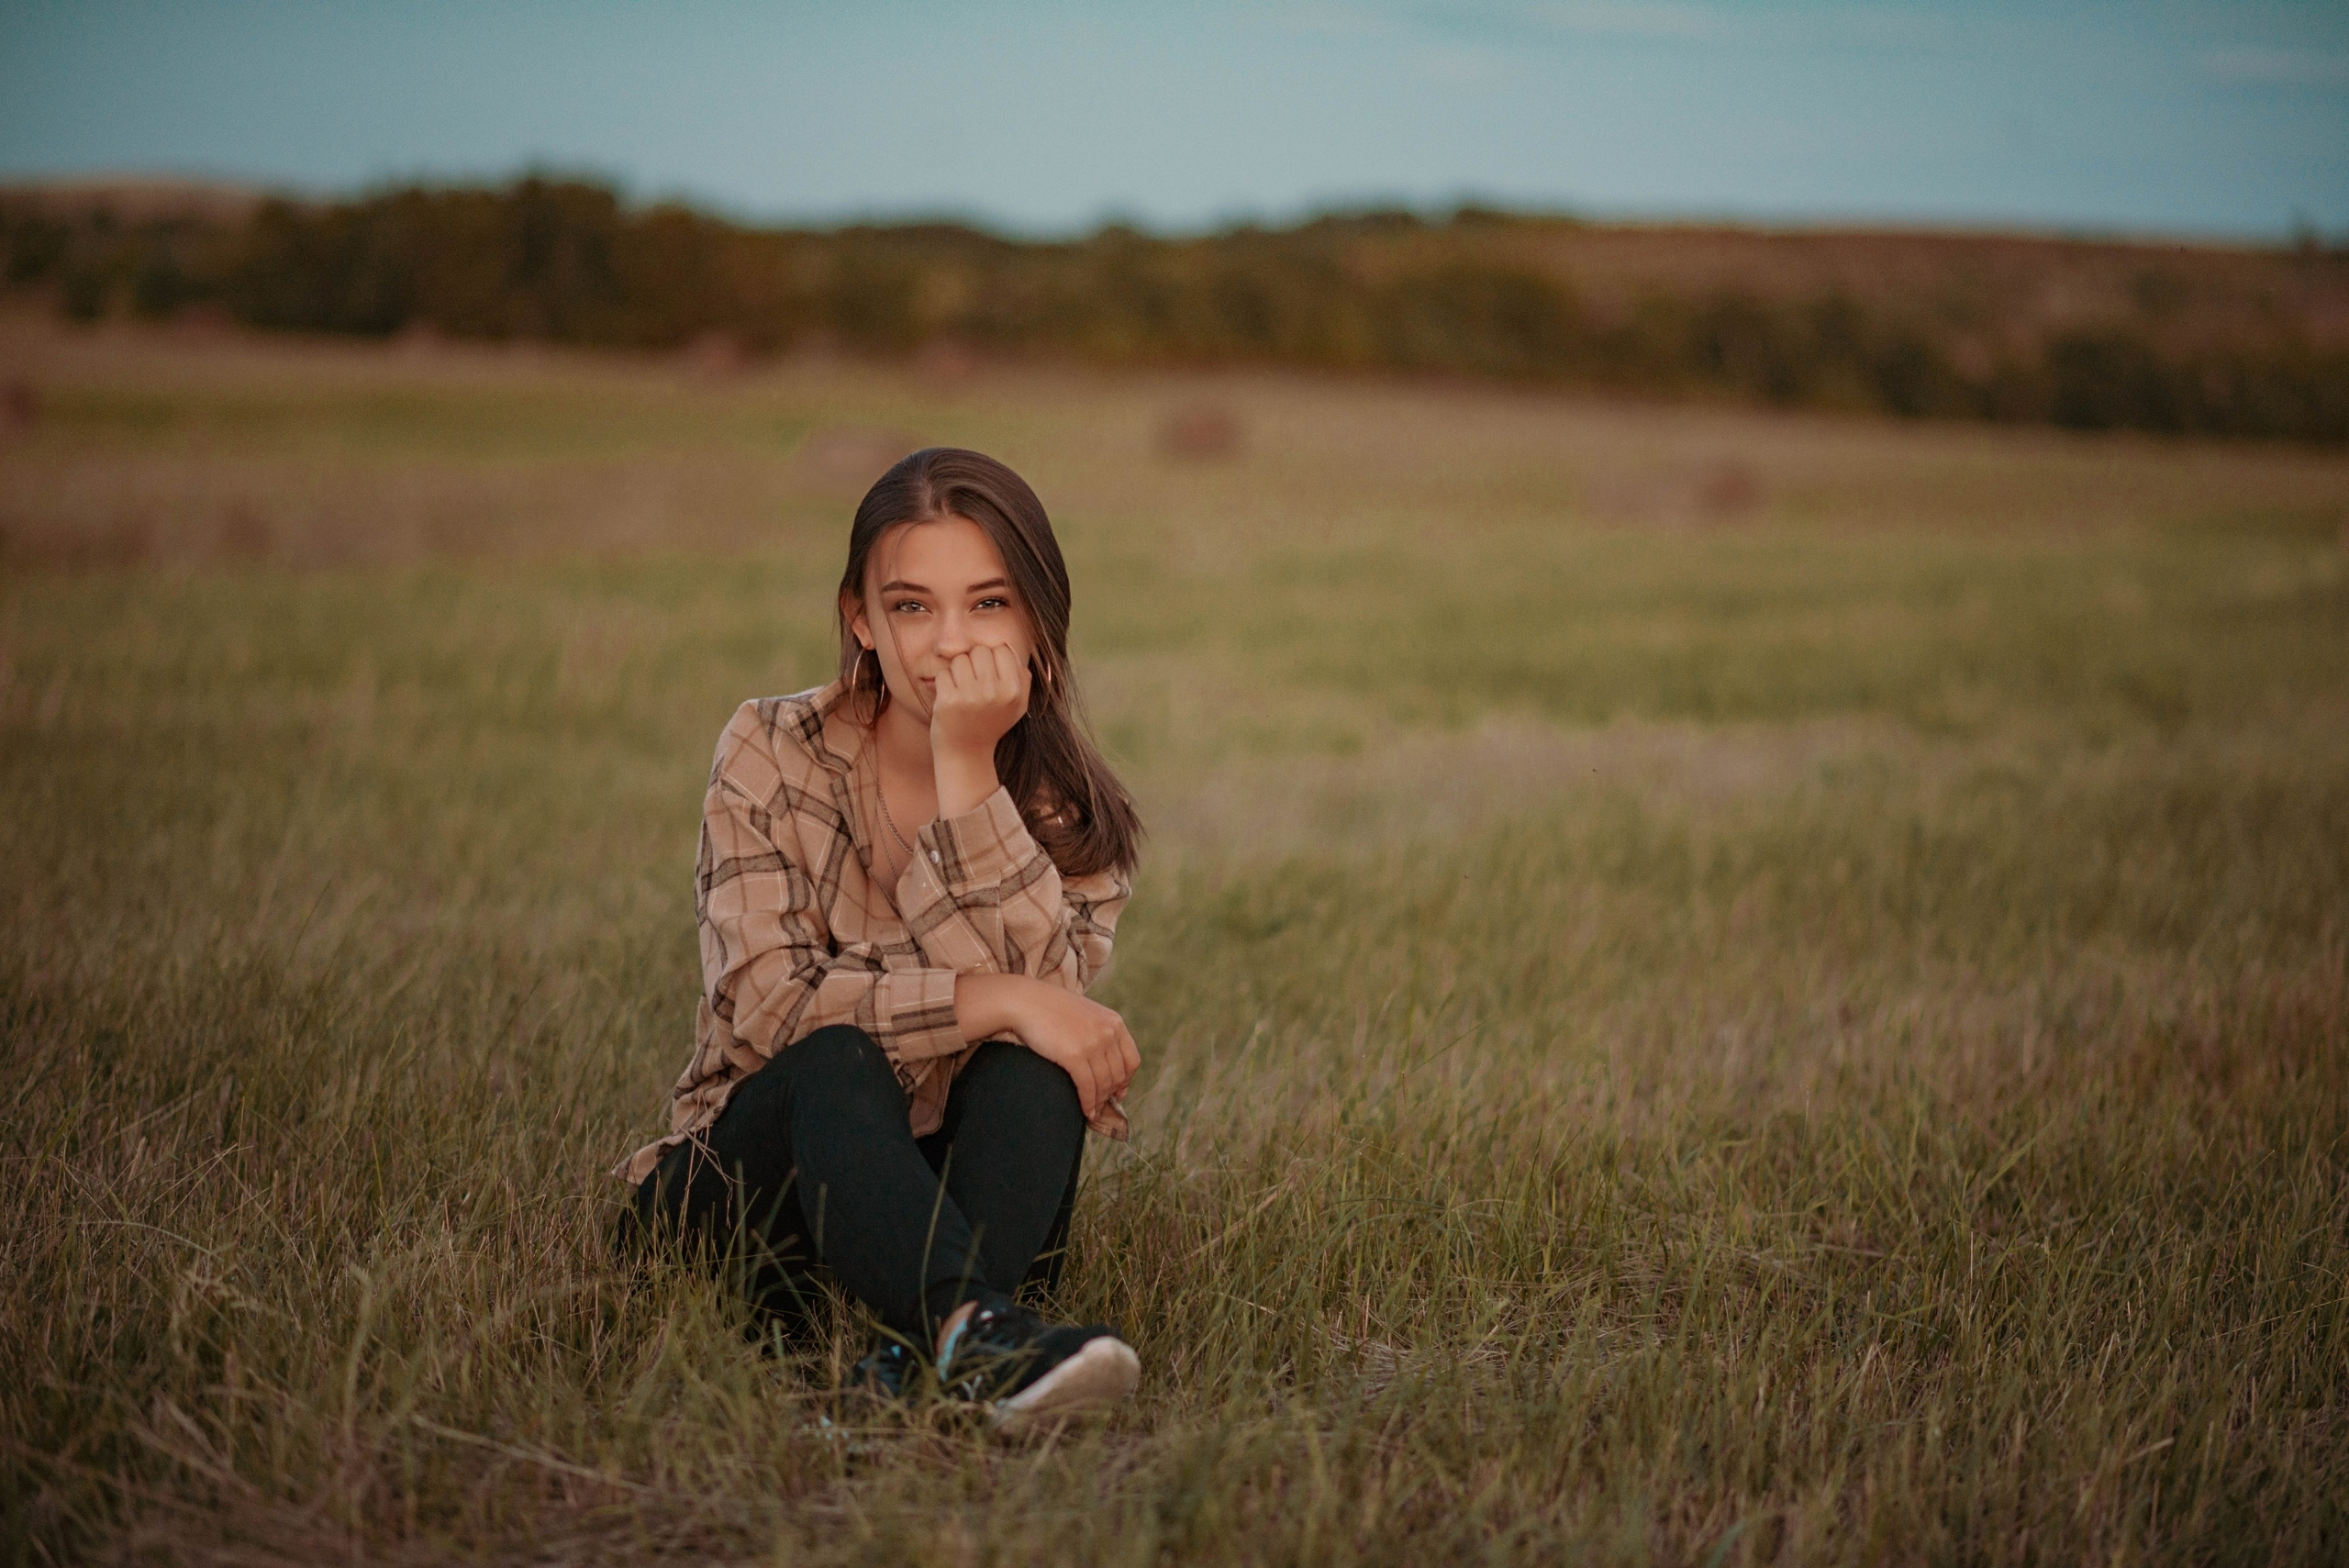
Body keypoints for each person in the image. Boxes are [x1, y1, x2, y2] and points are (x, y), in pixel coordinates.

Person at [616, 447, 1147, 1433]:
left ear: (1036, 618)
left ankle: (916, 1355)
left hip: (953, 1205)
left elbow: (1053, 1023)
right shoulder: (772, 747)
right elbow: (770, 1006)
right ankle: (970, 1331)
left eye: (988, 603)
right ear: (860, 618)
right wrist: (999, 999)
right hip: (747, 1203)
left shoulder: (1070, 813)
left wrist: (966, 770)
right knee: (838, 1058)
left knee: (1032, 1071)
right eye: (911, 605)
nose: (948, 641)